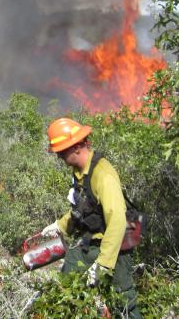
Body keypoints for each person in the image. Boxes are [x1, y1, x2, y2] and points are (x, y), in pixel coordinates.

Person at [42, 117, 142, 318]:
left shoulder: (103, 175)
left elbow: (117, 221)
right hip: (86, 245)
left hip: (113, 250)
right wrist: (60, 226)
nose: (59, 156)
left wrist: (104, 264)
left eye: (62, 151)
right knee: (66, 286)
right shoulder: (79, 172)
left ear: (77, 147)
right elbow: (84, 209)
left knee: (123, 304)